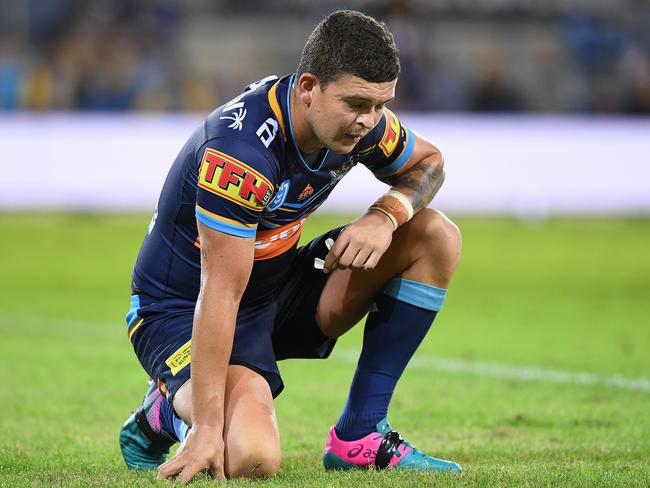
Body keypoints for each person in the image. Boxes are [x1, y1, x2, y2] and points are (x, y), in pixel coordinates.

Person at [119, 9, 463, 482]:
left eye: (381, 105)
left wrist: (385, 217)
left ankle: (360, 436)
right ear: (308, 87)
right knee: (250, 459)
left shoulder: (356, 122)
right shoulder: (240, 154)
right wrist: (208, 426)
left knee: (434, 236)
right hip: (182, 308)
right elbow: (219, 292)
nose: (370, 121)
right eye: (357, 104)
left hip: (271, 289)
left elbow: (430, 162)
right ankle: (163, 414)